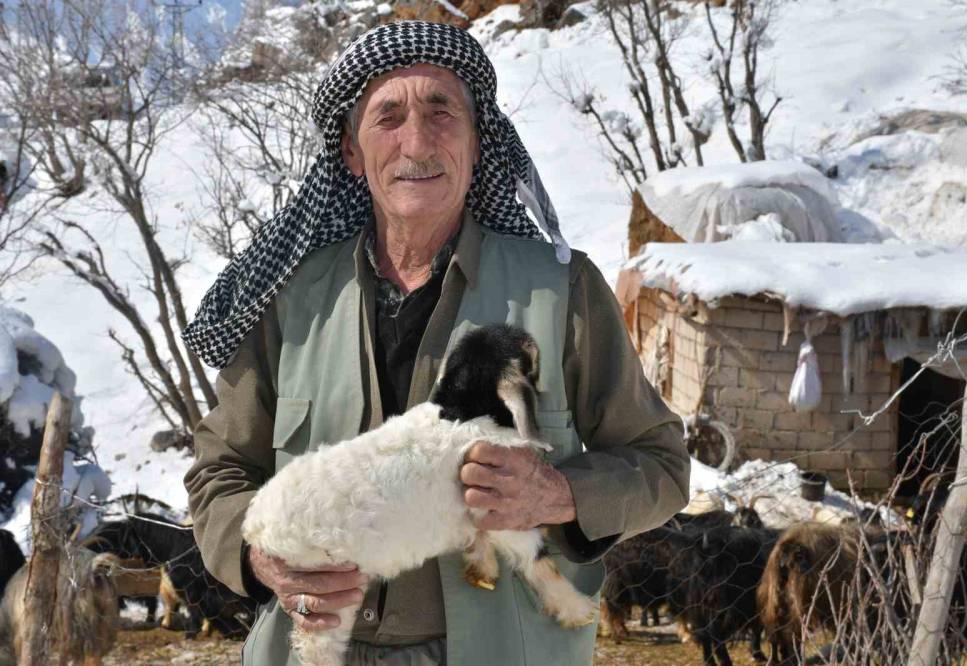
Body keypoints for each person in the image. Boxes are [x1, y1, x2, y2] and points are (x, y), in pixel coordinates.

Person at [183, 20, 689, 666]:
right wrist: (262, 559)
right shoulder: (292, 300)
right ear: (350, 150)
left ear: (478, 144)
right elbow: (216, 473)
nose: (416, 142)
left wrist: (560, 495)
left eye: (441, 111)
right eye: (388, 116)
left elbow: (663, 465)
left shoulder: (562, 291)